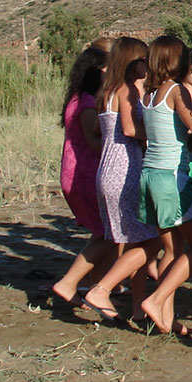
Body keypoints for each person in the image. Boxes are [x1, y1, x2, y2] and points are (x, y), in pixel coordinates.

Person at [85, 36, 192, 327]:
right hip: (171, 179)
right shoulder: (176, 90)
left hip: (150, 175)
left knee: (171, 248)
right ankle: (128, 295)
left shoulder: (149, 95)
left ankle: (165, 318)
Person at [82, 37, 160, 320]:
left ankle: (137, 305)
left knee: (133, 241)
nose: (147, 65)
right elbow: (129, 129)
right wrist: (159, 134)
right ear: (132, 62)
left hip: (108, 168)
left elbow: (97, 127)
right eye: (144, 60)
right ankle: (101, 289)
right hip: (125, 171)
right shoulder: (126, 90)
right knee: (151, 243)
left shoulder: (107, 91)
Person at [51, 47, 115, 307]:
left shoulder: (76, 98)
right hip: (85, 173)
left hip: (74, 171)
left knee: (100, 232)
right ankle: (68, 283)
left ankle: (96, 284)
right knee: (107, 234)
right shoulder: (88, 103)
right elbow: (92, 141)